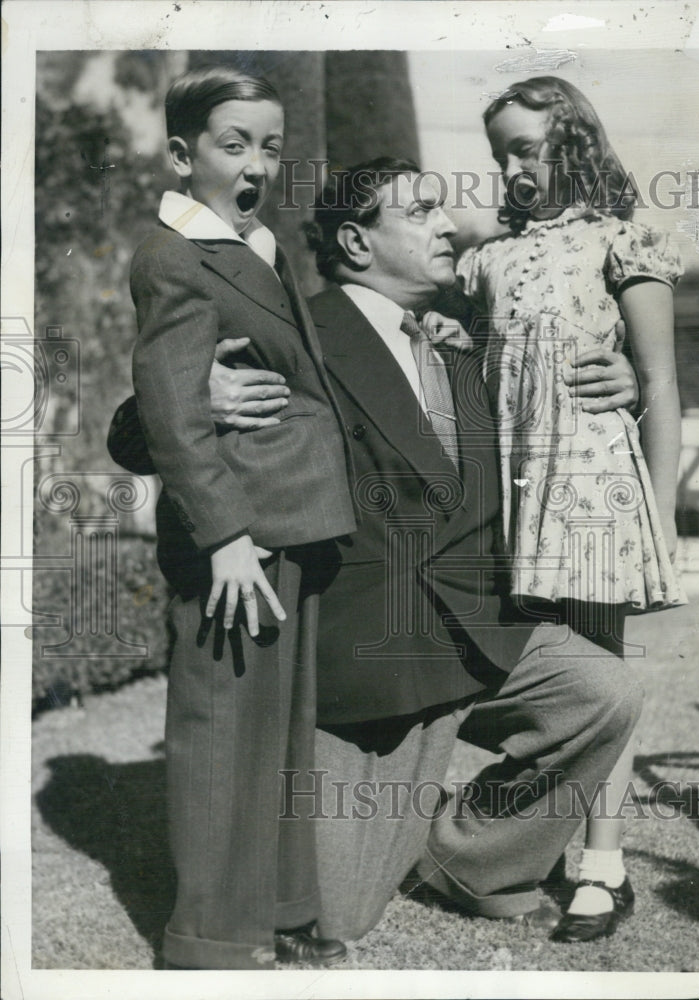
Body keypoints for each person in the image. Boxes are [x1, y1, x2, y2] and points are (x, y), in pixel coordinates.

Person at [109, 158, 643, 945]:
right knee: (333, 917)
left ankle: (472, 860)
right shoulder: (302, 330)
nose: (449, 227)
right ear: (356, 239)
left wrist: (628, 381)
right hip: (363, 661)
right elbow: (144, 425)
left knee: (605, 691)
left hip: (480, 631)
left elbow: (567, 402)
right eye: (422, 212)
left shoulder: (470, 337)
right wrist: (191, 397)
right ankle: (391, 837)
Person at [127, 66, 356, 969]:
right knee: (224, 734)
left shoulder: (254, 244)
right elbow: (175, 410)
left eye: (269, 145)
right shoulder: (172, 254)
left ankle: (286, 911)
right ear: (184, 155)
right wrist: (223, 538)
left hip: (289, 520)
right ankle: (212, 940)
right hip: (239, 535)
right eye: (233, 145)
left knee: (281, 732)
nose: (256, 163)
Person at [458, 76, 687, 941]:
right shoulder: (487, 259)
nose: (512, 167)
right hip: (510, 490)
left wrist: (659, 515)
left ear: (576, 140)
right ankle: (532, 837)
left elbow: (659, 380)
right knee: (547, 679)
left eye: (526, 146)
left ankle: (605, 863)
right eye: (499, 155)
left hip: (593, 485)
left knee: (604, 674)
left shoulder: (623, 243)